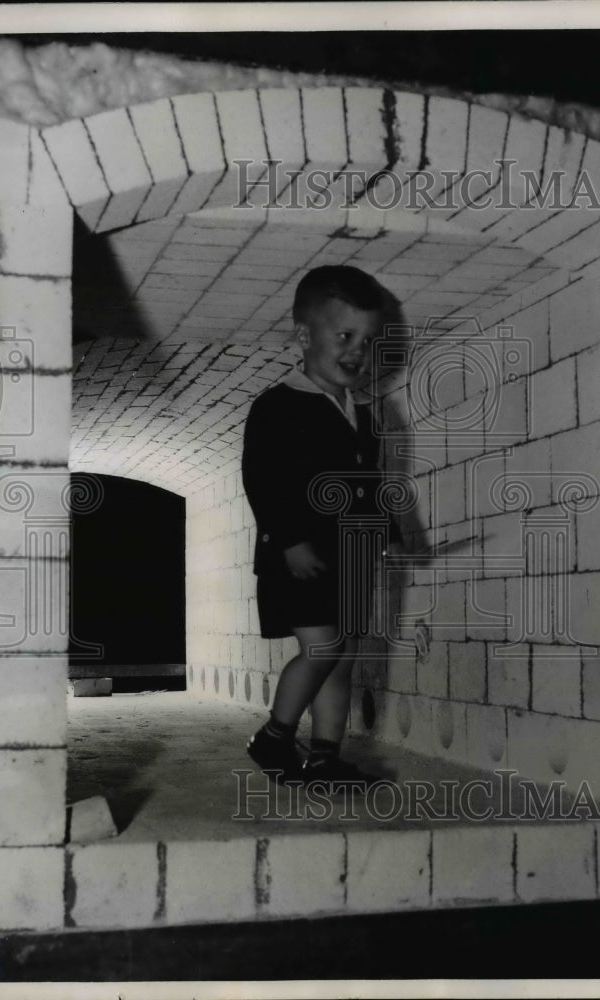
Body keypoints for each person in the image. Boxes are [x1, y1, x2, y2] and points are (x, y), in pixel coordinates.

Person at [241, 265, 403, 791]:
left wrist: (390, 531)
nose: (358, 350)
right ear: (304, 336)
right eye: (345, 336)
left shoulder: (364, 414)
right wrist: (289, 540)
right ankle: (273, 737)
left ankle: (324, 759)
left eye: (368, 339)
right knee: (323, 647)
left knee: (343, 655)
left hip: (349, 555)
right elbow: (263, 479)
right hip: (299, 554)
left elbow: (368, 482)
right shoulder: (277, 405)